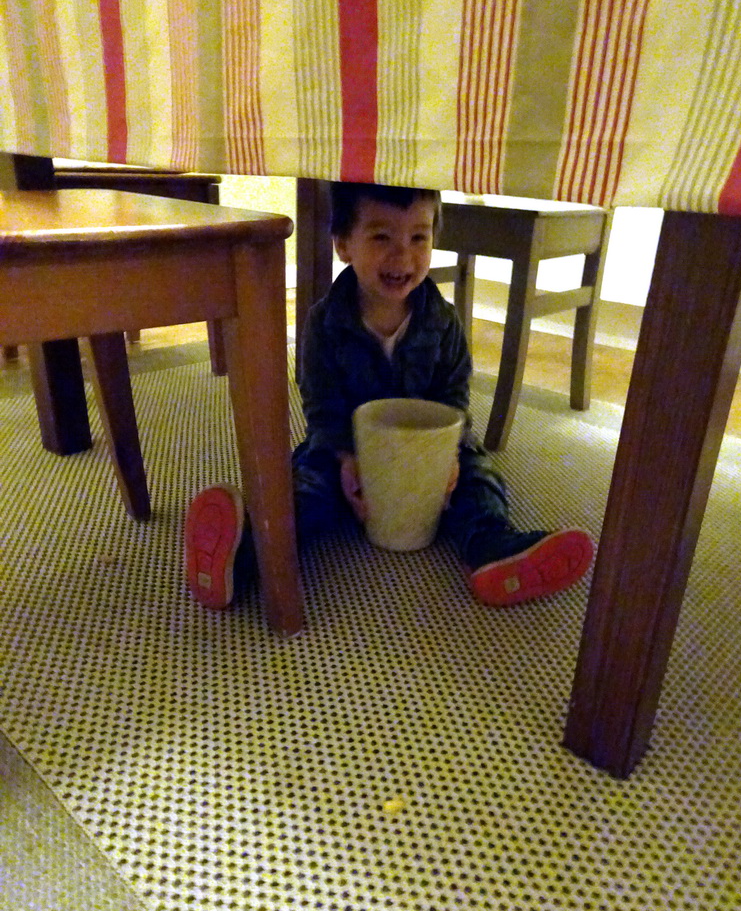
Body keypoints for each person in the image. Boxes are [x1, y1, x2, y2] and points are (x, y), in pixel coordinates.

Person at [184, 182, 593, 610]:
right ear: (343, 244)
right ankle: (245, 555)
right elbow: (321, 405)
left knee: (478, 477)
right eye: (382, 238)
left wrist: (448, 455)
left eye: (419, 238)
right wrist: (344, 458)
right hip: (348, 449)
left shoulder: (443, 321)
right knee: (308, 489)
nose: (403, 257)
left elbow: (453, 394)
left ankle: (493, 549)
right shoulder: (324, 322)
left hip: (426, 449)